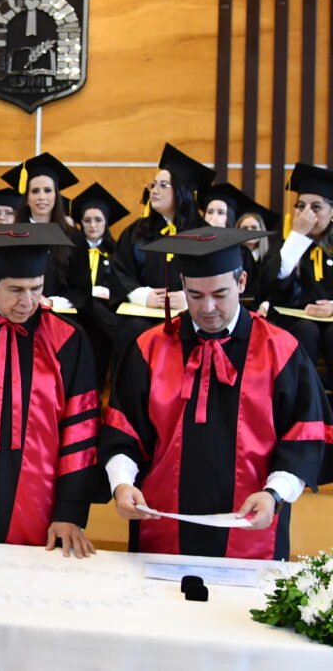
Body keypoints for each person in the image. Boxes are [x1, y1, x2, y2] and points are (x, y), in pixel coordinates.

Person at [101, 227, 329, 560]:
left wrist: (274, 494)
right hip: (162, 522)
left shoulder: (280, 351)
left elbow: (303, 437)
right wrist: (122, 483)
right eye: (195, 295)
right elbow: (123, 433)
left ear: (241, 282)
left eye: (220, 294)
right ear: (182, 284)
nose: (208, 307)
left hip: (253, 526)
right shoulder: (149, 349)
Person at [0, 223, 105, 555]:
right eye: (15, 290)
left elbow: (80, 430)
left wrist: (69, 511)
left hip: (39, 499)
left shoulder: (67, 339)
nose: (28, 302)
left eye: (36, 288)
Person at [110, 143, 213, 356]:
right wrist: (142, 295)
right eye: (153, 185)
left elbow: (215, 276)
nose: (154, 191)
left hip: (190, 314)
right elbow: (119, 270)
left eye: (163, 185)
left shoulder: (204, 234)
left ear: (182, 192)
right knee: (133, 330)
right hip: (143, 313)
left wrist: (190, 298)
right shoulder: (138, 231)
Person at [258, 163, 333, 372]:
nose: (306, 214)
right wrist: (297, 236)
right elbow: (272, 283)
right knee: (306, 330)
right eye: (301, 206)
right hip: (294, 320)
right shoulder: (287, 245)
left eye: (316, 207)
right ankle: (302, 392)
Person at [0, 153, 89, 312]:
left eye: (48, 190)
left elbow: (81, 287)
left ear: (56, 196)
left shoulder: (74, 237)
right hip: (18, 313)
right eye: (35, 191)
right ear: (26, 198)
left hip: (61, 314)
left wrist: (53, 303)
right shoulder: (11, 236)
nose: (42, 197)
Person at [70, 182, 129, 389]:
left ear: (106, 223)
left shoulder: (117, 252)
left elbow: (123, 283)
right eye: (87, 220)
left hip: (104, 312)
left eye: (98, 220)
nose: (92, 225)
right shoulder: (70, 250)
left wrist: (108, 291)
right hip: (77, 311)